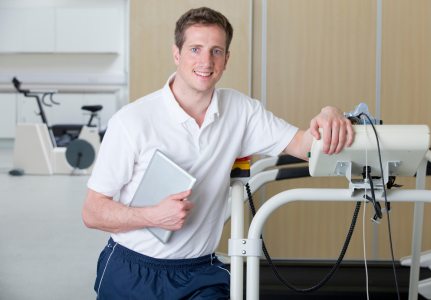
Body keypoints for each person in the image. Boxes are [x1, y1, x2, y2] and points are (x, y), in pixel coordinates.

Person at [82, 6, 354, 300]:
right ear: (177, 54)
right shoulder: (132, 121)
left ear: (226, 59)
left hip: (198, 273)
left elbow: (303, 146)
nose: (206, 61)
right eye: (195, 49)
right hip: (133, 268)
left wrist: (331, 113)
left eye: (216, 51)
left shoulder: (240, 111)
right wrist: (153, 216)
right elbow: (92, 212)